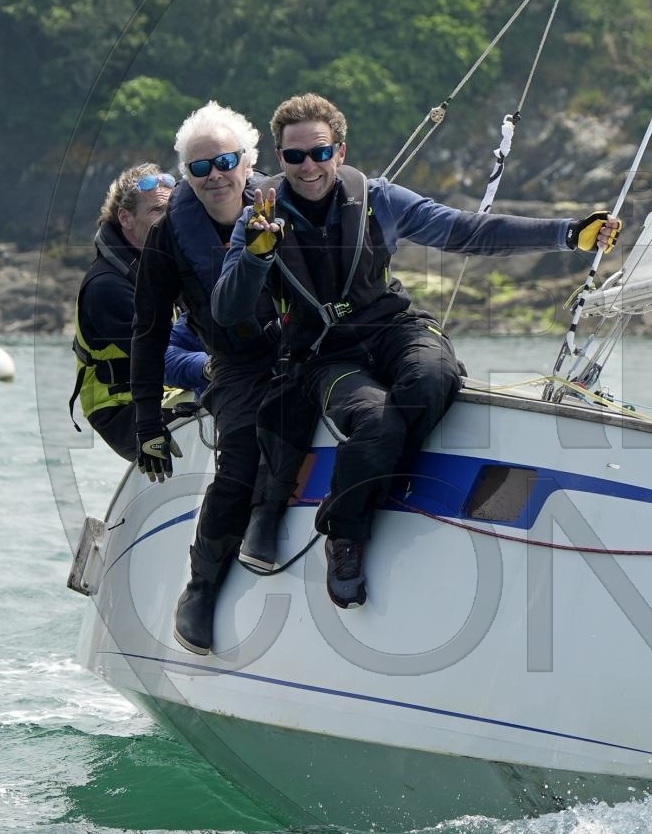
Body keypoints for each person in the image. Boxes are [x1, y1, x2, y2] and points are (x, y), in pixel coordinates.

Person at [213, 92, 619, 608]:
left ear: (340, 151)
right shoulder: (259, 217)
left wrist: (568, 234)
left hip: (393, 327)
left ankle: (368, 481)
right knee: (376, 422)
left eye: (320, 152)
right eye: (295, 156)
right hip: (325, 355)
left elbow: (465, 230)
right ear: (279, 157)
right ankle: (345, 534)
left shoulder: (379, 199)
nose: (308, 166)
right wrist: (254, 257)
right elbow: (226, 310)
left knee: (432, 378)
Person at [130, 103, 280, 655]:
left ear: (249, 162)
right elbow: (148, 331)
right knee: (240, 450)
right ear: (187, 176)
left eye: (225, 162)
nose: (214, 175)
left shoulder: (284, 203)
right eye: (199, 167)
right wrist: (147, 421)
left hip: (301, 350)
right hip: (234, 362)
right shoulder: (170, 236)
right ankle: (201, 588)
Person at [70, 163, 209, 457]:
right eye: (158, 210)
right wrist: (211, 367)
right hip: (121, 408)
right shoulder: (106, 287)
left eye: (172, 210)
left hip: (169, 391)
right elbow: (157, 358)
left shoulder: (165, 264)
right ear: (126, 218)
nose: (170, 220)